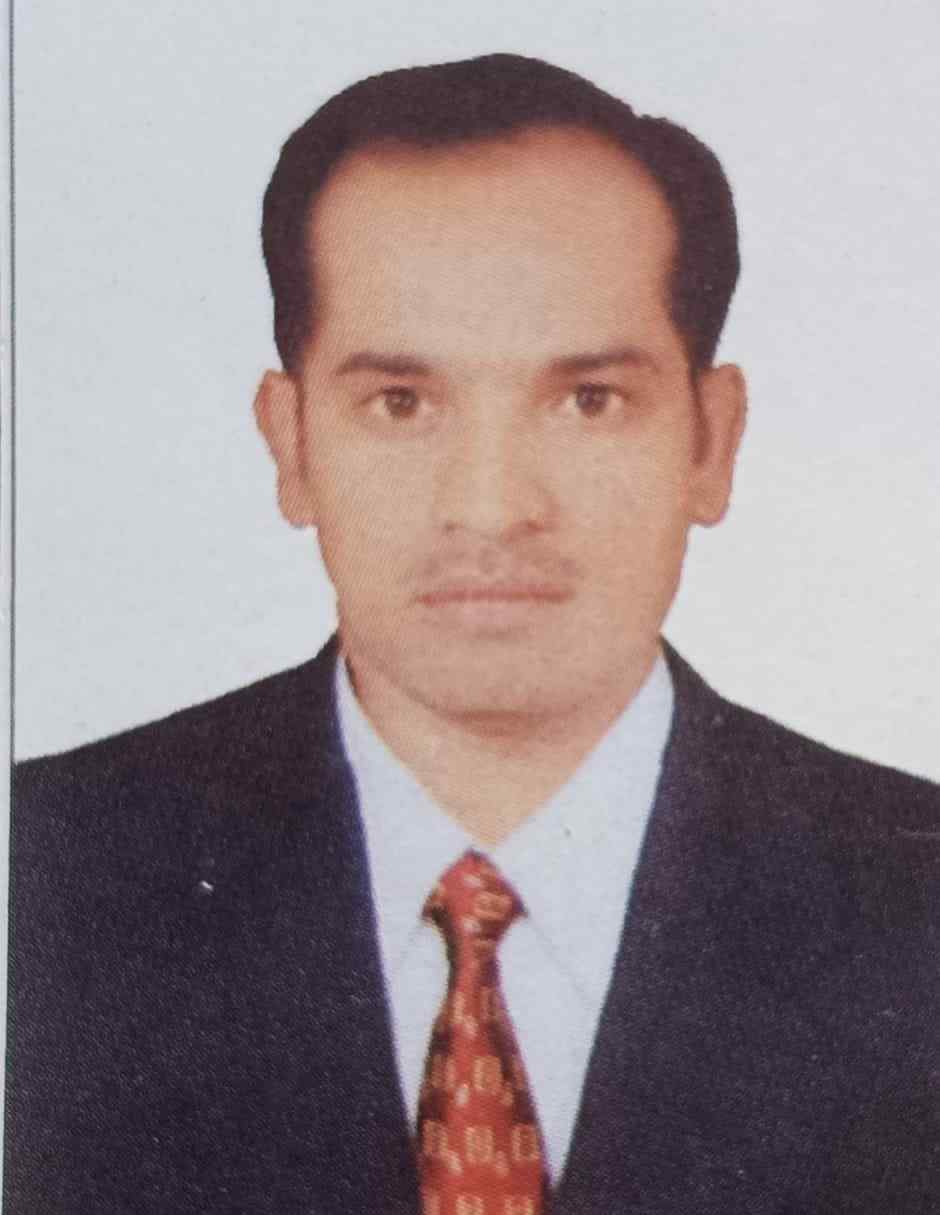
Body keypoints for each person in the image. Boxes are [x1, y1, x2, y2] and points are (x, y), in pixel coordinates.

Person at [7, 53, 940, 1215]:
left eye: (587, 400)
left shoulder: (917, 903)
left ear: (710, 442)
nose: (491, 506)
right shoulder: (40, 878)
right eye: (401, 404)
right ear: (291, 446)